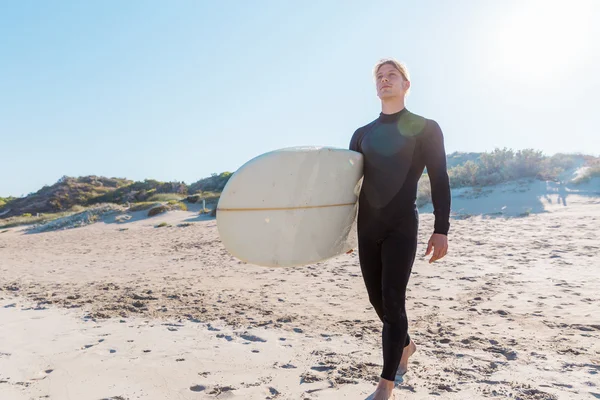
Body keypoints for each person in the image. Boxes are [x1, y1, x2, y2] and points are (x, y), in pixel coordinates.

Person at [349, 58, 451, 400]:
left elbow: (439, 179)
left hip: (401, 225)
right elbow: (347, 188)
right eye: (379, 76)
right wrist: (343, 233)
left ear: (406, 85)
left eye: (392, 75)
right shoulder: (362, 134)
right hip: (367, 227)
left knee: (393, 301)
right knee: (376, 300)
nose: (384, 80)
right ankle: (405, 344)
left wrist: (441, 229)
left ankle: (385, 385)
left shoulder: (425, 128)